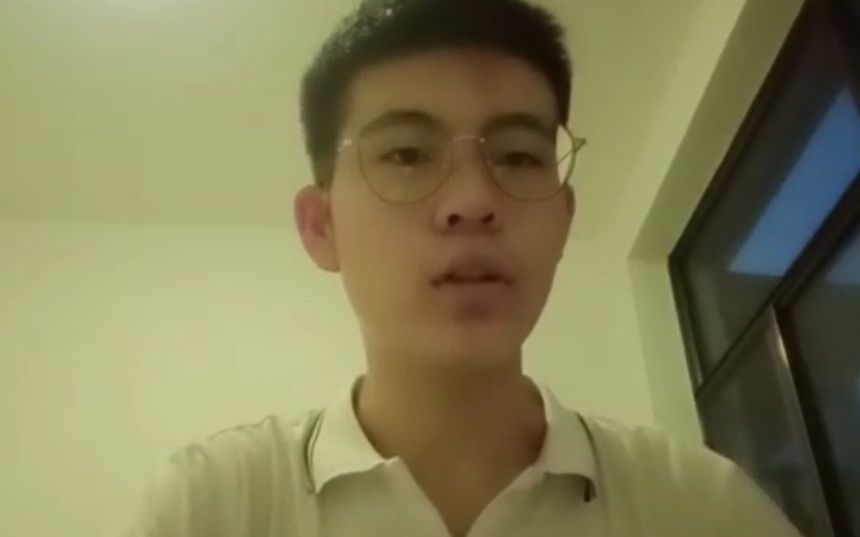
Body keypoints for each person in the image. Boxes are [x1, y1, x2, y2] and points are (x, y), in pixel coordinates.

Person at [127, 0, 804, 535]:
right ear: (321, 226)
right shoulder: (215, 506)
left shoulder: (701, 507)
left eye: (518, 156)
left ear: (564, 219)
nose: (473, 201)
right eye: (407, 155)